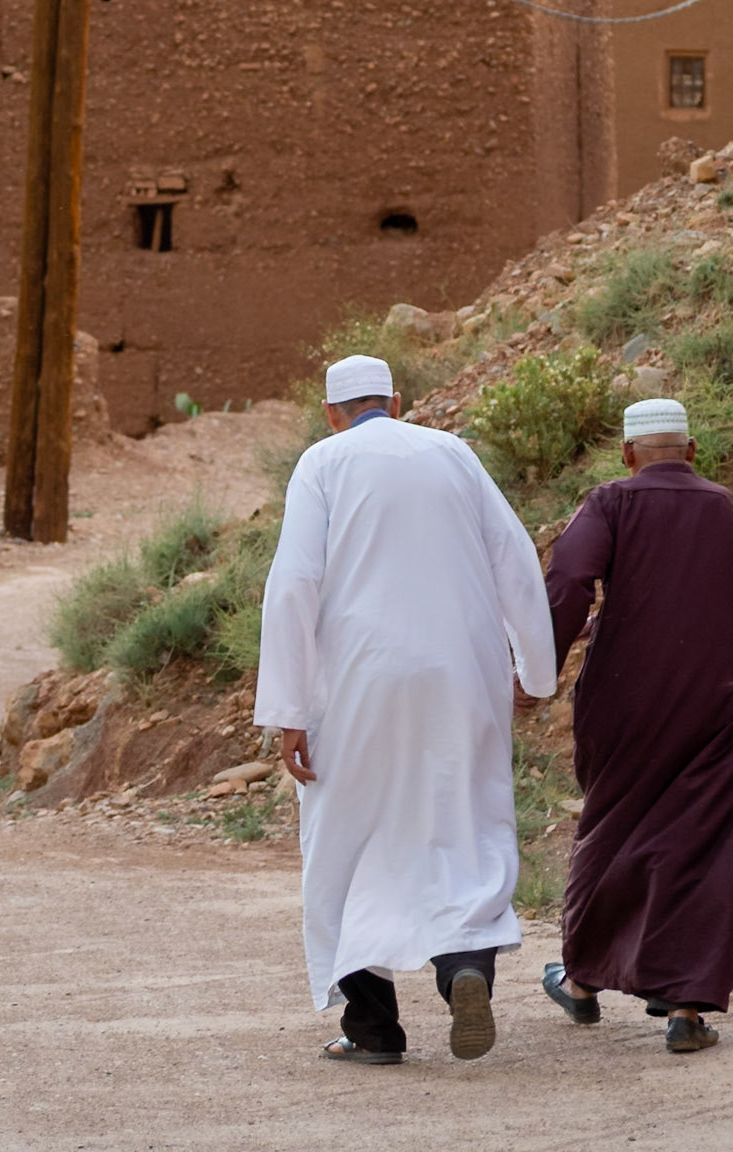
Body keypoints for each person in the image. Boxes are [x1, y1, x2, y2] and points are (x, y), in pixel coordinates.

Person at [255, 353, 557, 1065]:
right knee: (464, 821)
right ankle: (465, 972)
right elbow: (514, 559)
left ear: (332, 413)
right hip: (461, 672)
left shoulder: (323, 463)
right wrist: (533, 671)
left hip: (358, 678)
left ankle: (374, 1029)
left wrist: (288, 708)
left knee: (347, 840)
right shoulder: (453, 453)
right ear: (397, 399)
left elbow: (294, 583)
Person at [535, 397, 733, 1055]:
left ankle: (581, 981)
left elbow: (571, 577)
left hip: (629, 694)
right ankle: (686, 1009)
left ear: (628, 455)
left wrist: (541, 669)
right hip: (725, 692)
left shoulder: (610, 501)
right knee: (708, 835)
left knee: (612, 822)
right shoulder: (720, 504)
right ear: (691, 452)